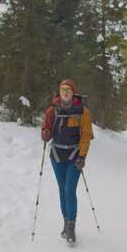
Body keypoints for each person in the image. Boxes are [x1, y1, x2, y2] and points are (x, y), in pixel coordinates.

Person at [41, 79, 94, 243]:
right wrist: (45, 133)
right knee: (62, 189)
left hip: (74, 156)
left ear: (73, 93)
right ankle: (65, 223)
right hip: (57, 155)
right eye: (63, 89)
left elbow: (86, 135)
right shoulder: (52, 110)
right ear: (60, 91)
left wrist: (82, 156)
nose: (65, 92)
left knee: (69, 189)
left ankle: (71, 227)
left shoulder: (83, 112)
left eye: (68, 90)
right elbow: (45, 128)